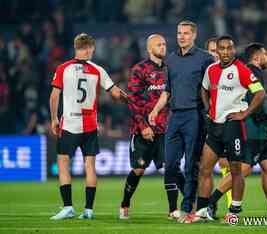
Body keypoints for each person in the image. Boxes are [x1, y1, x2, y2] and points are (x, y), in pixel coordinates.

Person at [204, 43, 267, 220]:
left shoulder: (249, 71)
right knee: (243, 170)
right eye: (265, 54)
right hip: (252, 129)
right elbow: (255, 100)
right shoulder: (252, 72)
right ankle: (211, 201)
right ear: (257, 57)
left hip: (256, 129)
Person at [182, 35, 266, 223]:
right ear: (217, 51)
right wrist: (207, 108)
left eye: (229, 48)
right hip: (214, 127)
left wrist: (245, 113)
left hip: (233, 126)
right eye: (222, 48)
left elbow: (260, 93)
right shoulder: (211, 69)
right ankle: (202, 211)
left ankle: (234, 211)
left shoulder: (241, 70)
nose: (226, 52)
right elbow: (204, 89)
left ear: (233, 50)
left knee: (235, 170)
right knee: (205, 168)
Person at [49, 33, 122, 220]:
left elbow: (54, 96)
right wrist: (126, 96)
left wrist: (54, 119)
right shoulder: (98, 70)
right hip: (90, 125)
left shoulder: (63, 68)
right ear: (89, 48)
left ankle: (68, 207)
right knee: (90, 166)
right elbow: (115, 93)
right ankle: (88, 210)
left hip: (69, 124)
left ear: (76, 47)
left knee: (63, 162)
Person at [149, 20, 215, 219]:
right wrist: (155, 110)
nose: (182, 36)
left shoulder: (205, 59)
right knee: (169, 165)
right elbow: (167, 91)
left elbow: (212, 89)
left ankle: (187, 208)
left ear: (194, 36)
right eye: (179, 33)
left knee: (191, 165)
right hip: (174, 116)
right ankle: (192, 199)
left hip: (195, 115)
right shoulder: (170, 60)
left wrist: (212, 113)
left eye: (186, 33)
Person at [119, 34, 169, 219]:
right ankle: (125, 204)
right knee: (139, 169)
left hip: (165, 128)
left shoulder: (170, 68)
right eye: (159, 44)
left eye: (164, 44)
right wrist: (143, 126)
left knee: (171, 168)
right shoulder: (139, 69)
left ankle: (180, 208)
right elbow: (132, 101)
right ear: (149, 48)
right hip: (142, 130)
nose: (163, 47)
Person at [205, 37, 232, 209]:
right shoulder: (205, 71)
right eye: (212, 51)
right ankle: (205, 206)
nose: (216, 54)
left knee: (226, 164)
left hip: (224, 124)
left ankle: (231, 207)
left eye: (218, 50)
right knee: (203, 167)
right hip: (204, 122)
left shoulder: (232, 71)